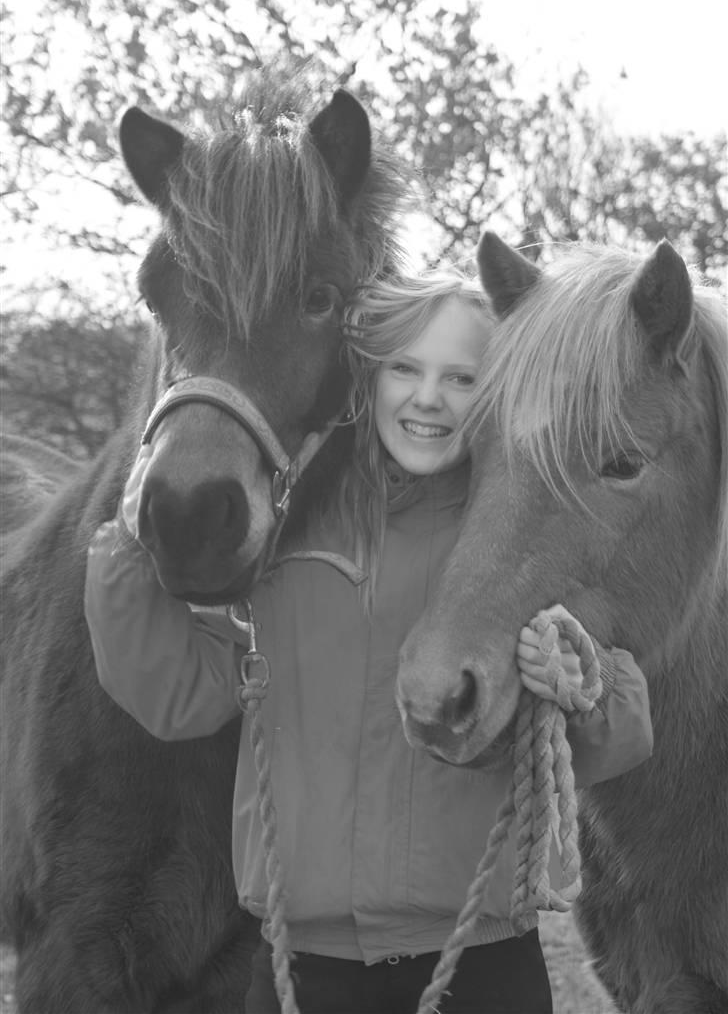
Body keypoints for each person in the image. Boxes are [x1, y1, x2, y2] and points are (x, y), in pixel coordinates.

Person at [85, 270, 653, 1014]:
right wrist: (129, 550)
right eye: (405, 369)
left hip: (479, 965)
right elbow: (180, 698)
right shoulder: (291, 529)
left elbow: (614, 742)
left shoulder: (522, 540)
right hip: (301, 969)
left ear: (495, 391)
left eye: (461, 377)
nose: (428, 397)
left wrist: (581, 686)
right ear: (370, 380)